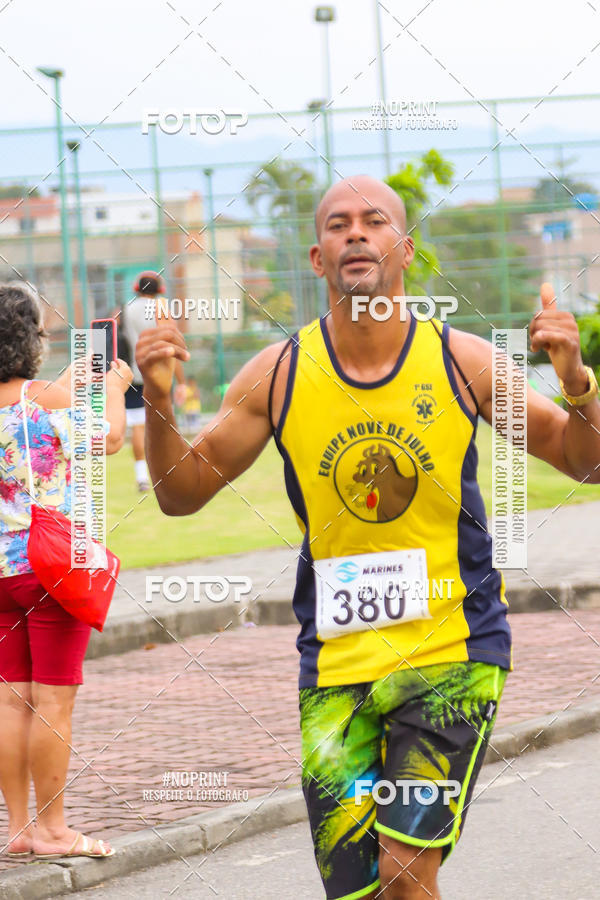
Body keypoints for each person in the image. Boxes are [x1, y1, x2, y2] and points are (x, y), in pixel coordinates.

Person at [135, 175, 600, 900]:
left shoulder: (464, 362)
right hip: (336, 667)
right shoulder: (279, 374)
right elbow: (179, 496)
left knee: (406, 871)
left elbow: (584, 459)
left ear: (404, 249)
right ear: (318, 259)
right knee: (356, 893)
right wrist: (158, 402)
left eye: (374, 221)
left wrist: (577, 383)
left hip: (452, 650)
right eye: (338, 224)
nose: (355, 232)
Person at [0, 282, 132, 860]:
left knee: (10, 701)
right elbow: (109, 440)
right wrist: (112, 386)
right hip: (52, 565)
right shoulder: (45, 398)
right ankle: (55, 830)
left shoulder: (42, 395)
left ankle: (21, 827)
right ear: (30, 338)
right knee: (53, 701)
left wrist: (69, 385)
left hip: (1, 572)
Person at [117, 271, 185, 492]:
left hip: (132, 374)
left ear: (137, 288)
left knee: (138, 426)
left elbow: (107, 336)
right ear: (159, 290)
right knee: (164, 425)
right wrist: (181, 381)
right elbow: (173, 346)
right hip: (158, 373)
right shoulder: (161, 308)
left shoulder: (124, 310)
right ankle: (169, 473)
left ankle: (142, 478)